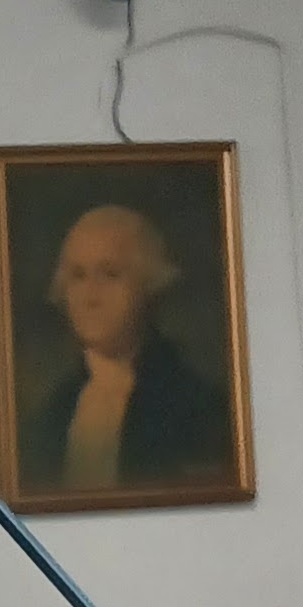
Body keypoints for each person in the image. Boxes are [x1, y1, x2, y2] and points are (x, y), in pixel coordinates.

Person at [18, 203, 227, 497]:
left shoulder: (197, 407)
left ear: (148, 285)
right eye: (78, 276)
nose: (90, 296)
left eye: (110, 274)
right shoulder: (51, 416)